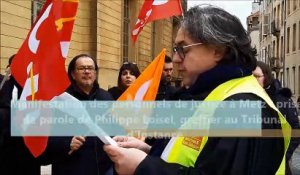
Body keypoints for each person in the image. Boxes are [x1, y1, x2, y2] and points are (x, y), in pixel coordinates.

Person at [104, 5, 289, 175]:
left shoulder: (244, 106)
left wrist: (144, 167)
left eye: (183, 48)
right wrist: (151, 152)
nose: (176, 58)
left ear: (217, 50)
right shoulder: (212, 96)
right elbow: (199, 159)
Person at [43, 54, 114, 175]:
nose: (87, 71)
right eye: (81, 68)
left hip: (104, 168)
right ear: (73, 74)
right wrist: (67, 143)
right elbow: (45, 136)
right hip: (71, 168)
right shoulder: (60, 100)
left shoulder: (106, 97)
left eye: (90, 68)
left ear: (95, 73)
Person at [253, 61, 299, 175]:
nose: (253, 80)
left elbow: (296, 131)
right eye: (250, 77)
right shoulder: (249, 97)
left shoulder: (281, 100)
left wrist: (284, 156)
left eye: (257, 76)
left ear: (267, 76)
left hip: (277, 165)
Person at [0, 55, 39, 175]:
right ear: (8, 68)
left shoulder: (35, 89)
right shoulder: (3, 85)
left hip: (28, 149)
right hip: (5, 148)